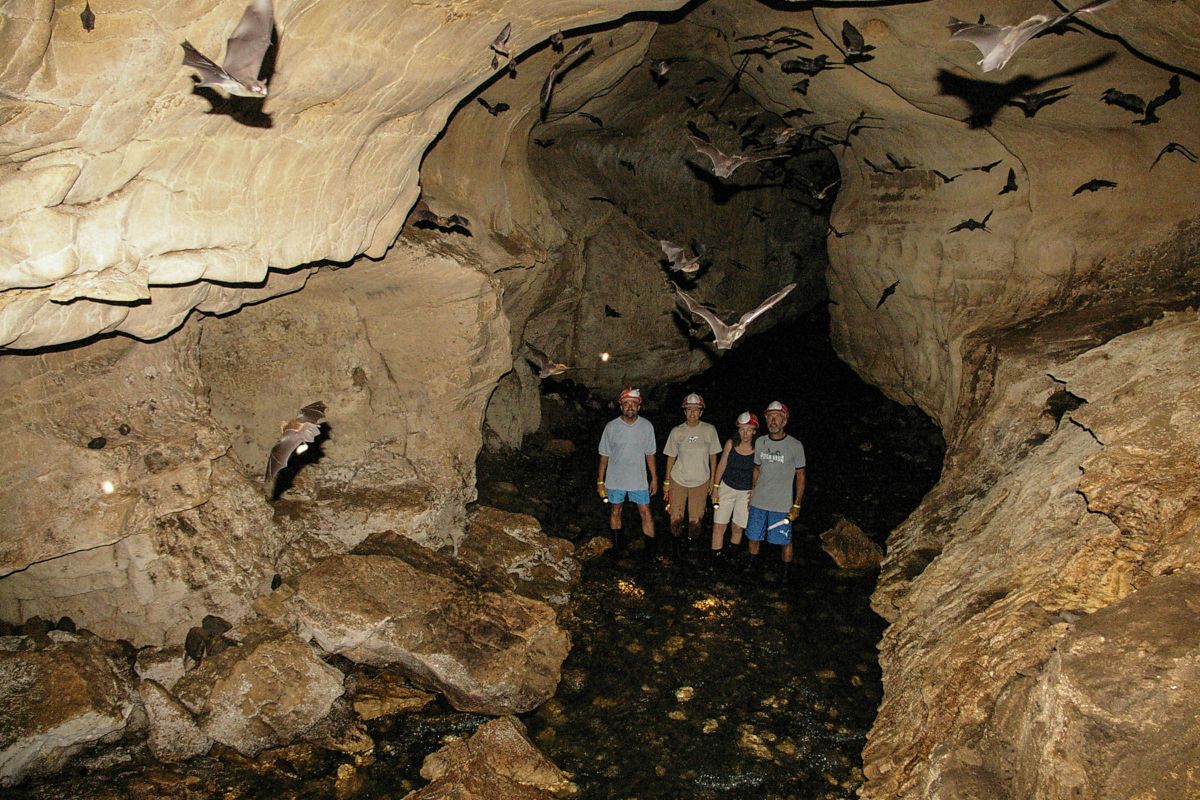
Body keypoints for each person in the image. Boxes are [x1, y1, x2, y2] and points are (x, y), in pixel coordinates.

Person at [745, 401, 806, 582]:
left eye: (777, 417)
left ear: (784, 421)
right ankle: (751, 568)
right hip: (759, 501)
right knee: (753, 536)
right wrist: (752, 493)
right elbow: (756, 469)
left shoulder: (795, 445)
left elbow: (801, 475)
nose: (773, 421)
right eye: (770, 417)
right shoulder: (760, 442)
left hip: (782, 504)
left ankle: (785, 574)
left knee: (784, 540)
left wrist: (797, 504)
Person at [597, 387, 658, 557]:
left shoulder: (647, 426)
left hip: (638, 479)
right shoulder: (611, 427)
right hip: (615, 479)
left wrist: (654, 478)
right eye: (626, 403)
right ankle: (618, 547)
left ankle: (650, 551)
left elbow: (650, 454)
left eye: (633, 403)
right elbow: (604, 456)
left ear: (639, 406)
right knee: (615, 510)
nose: (630, 407)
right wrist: (600, 481)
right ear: (621, 406)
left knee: (645, 512)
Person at [662, 393, 722, 558]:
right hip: (678, 479)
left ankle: (690, 545)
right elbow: (670, 457)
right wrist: (666, 482)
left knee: (696, 518)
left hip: (701, 480)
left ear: (701, 412)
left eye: (696, 410)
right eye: (689, 409)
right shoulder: (677, 431)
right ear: (684, 412)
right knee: (676, 516)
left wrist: (713, 483)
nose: (692, 413)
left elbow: (714, 458)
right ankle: (676, 548)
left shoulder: (709, 430)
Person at [710, 411, 758, 567]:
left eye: (749, 430)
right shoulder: (731, 443)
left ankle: (732, 555)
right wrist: (715, 487)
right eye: (742, 429)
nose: (745, 433)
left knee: (738, 526)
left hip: (746, 492)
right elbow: (721, 465)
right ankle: (716, 558)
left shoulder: (759, 447)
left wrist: (755, 492)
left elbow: (759, 472)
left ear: (754, 431)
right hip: (726, 487)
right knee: (719, 525)